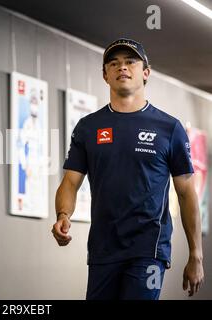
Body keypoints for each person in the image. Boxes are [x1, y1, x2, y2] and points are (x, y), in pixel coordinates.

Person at [52, 38, 204, 300]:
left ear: (146, 72)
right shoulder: (88, 128)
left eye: (130, 62)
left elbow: (186, 192)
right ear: (105, 75)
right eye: (114, 63)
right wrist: (63, 214)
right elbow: (70, 182)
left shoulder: (169, 129)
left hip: (149, 249)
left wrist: (195, 256)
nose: (122, 67)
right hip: (103, 249)